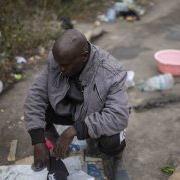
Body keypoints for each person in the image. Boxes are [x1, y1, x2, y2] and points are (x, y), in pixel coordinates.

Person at [23, 29, 129, 177]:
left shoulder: (111, 72)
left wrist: (75, 130)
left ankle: (115, 158)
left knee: (111, 139)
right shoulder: (58, 60)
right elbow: (35, 96)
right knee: (42, 110)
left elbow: (119, 116)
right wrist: (38, 140)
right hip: (73, 111)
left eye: (65, 65)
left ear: (84, 56)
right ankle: (58, 146)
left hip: (95, 115)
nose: (60, 69)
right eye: (58, 64)